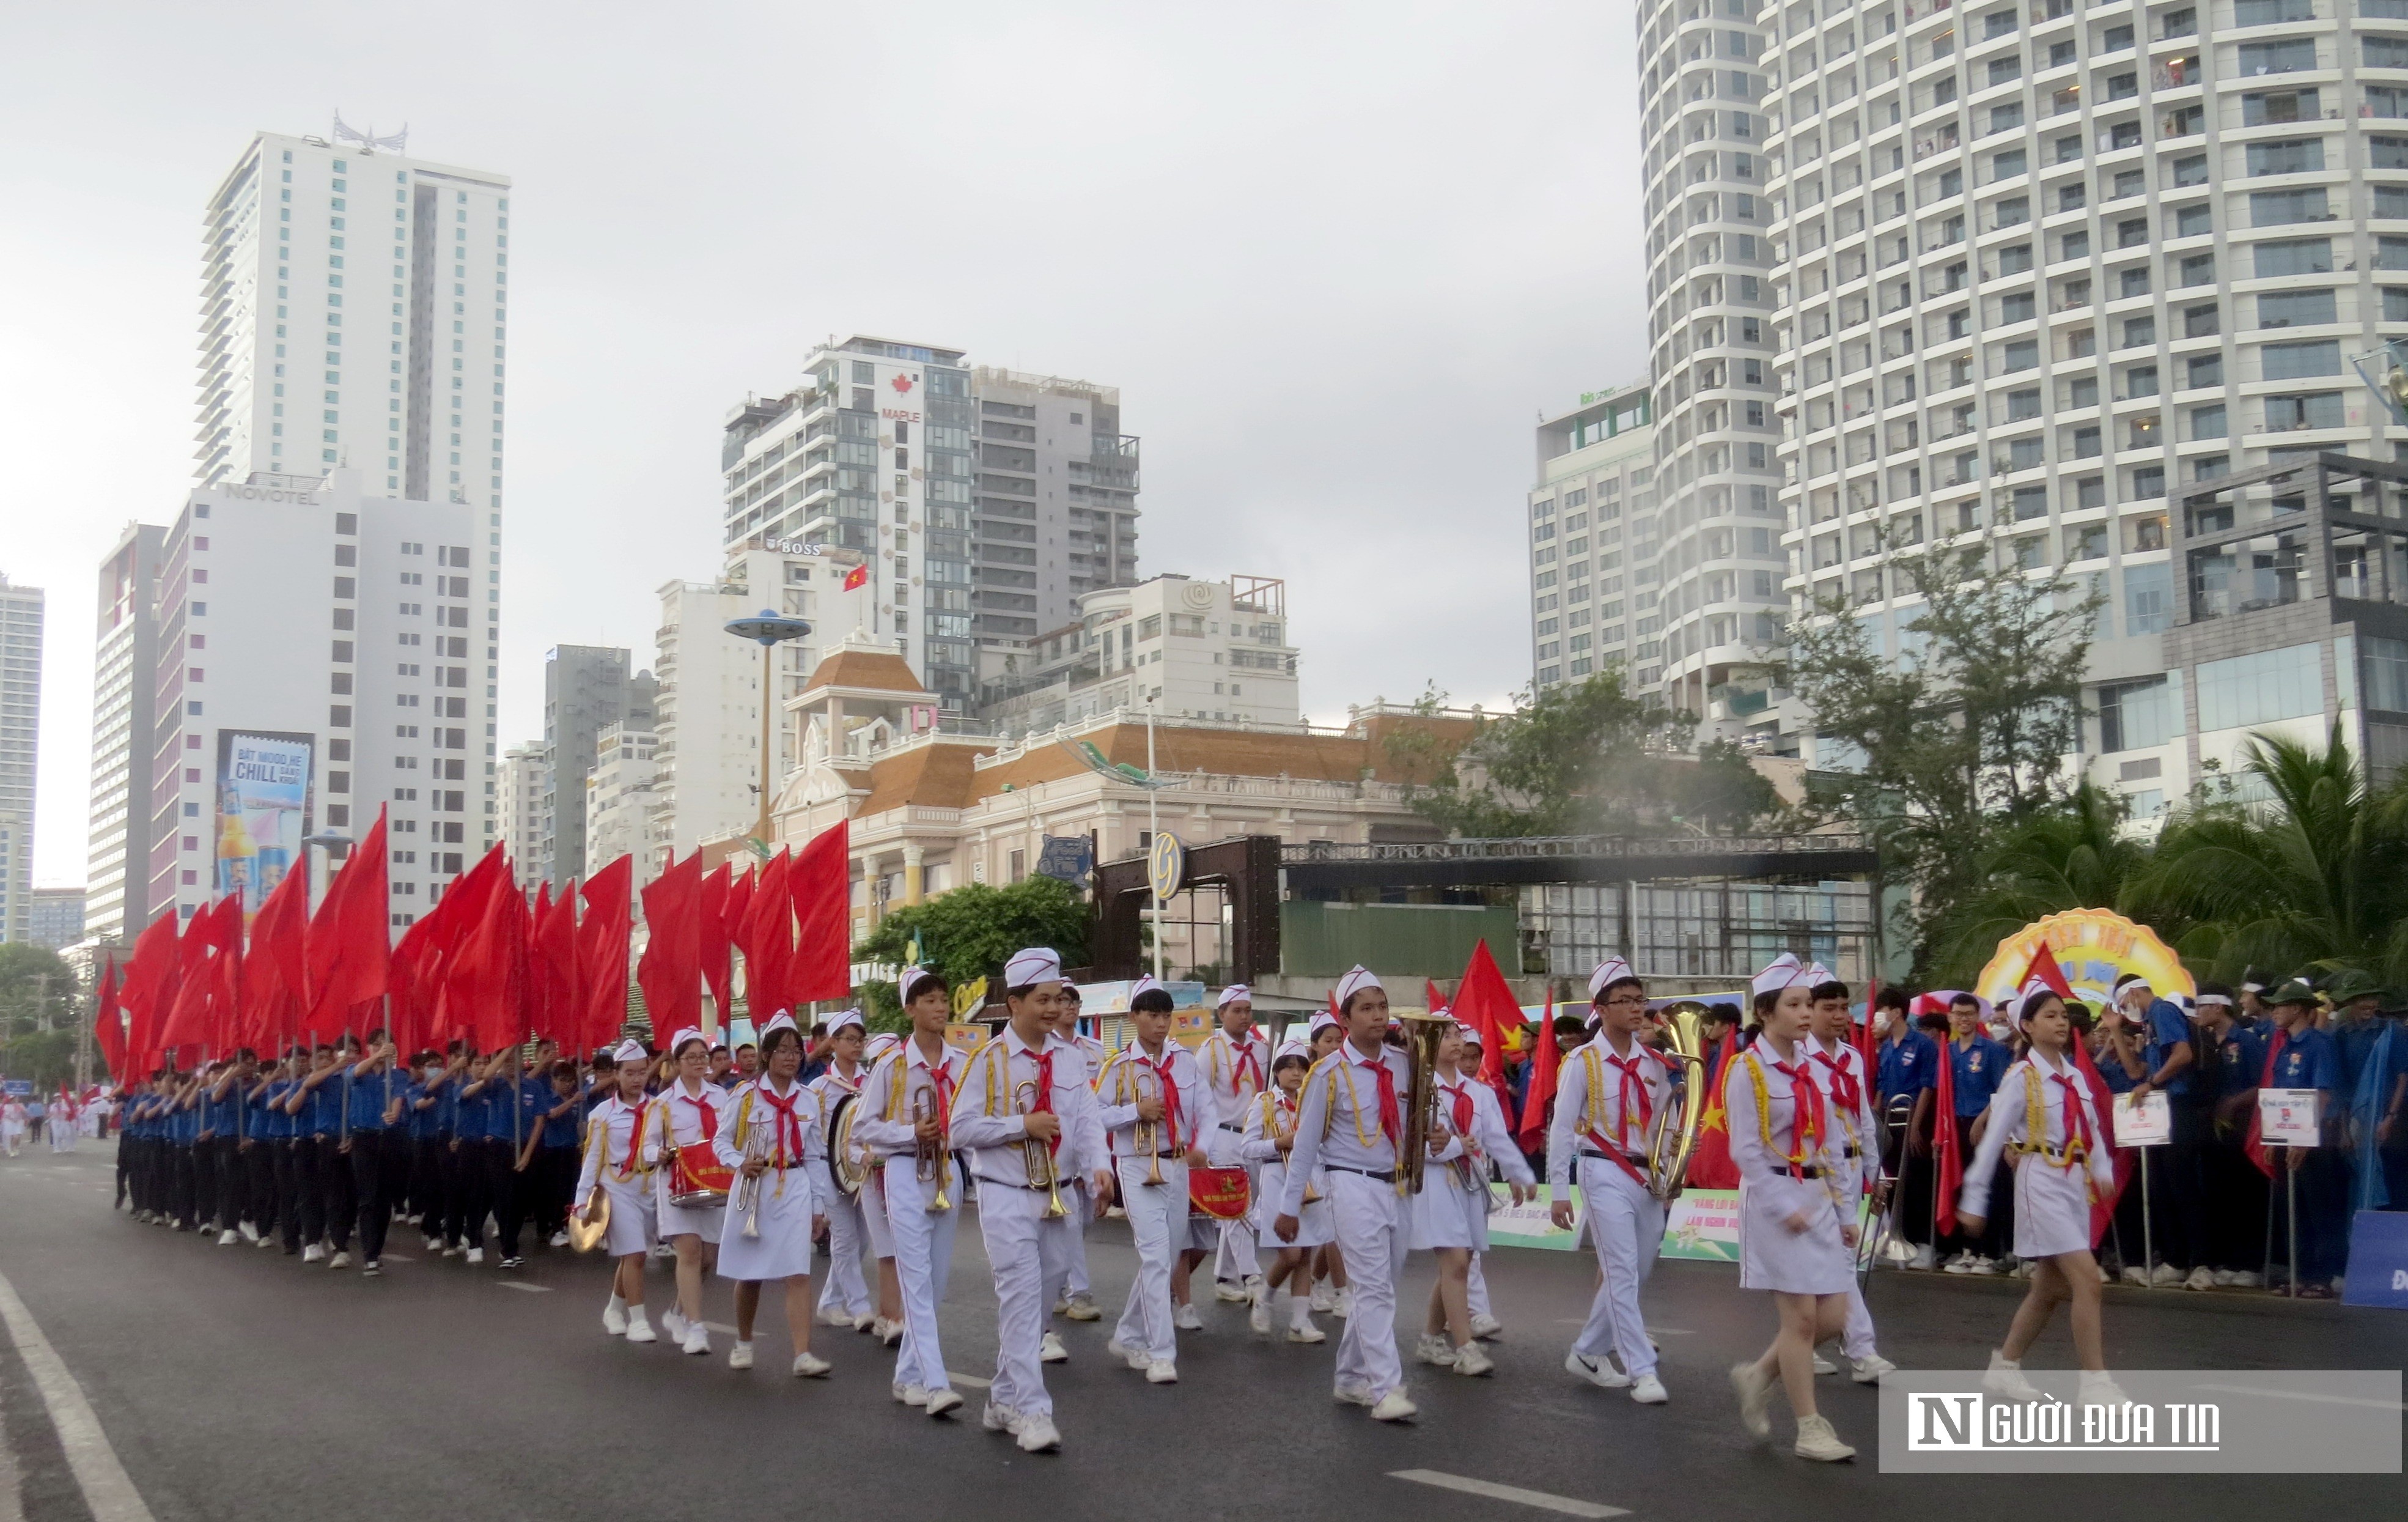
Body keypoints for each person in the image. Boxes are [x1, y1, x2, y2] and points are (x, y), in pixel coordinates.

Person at [948, 946, 1111, 1454]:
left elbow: (1085, 1118)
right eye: (1042, 999)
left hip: (1060, 1196)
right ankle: (1033, 1410)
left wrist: (1099, 1167)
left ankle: (1001, 1397)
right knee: (1019, 1299)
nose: (1052, 1007)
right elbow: (959, 1129)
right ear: (1014, 1003)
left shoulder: (1071, 1055)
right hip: (1006, 1196)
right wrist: (1022, 1124)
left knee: (1037, 1308)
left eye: (1057, 998)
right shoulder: (986, 1060)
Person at [1958, 982, 2124, 1408]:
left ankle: (2005, 1367)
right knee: (2087, 1279)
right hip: (2040, 1180)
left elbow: (2090, 1132)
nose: (2060, 1022)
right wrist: (1973, 1199)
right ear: (2027, 1026)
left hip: (2072, 1183)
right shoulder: (2021, 1077)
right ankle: (2094, 1382)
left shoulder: (2072, 1075)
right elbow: (1992, 1137)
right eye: (2049, 1015)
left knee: (2048, 1289)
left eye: (2063, 1015)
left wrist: (2102, 1170)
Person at [1725, 952, 1861, 1463]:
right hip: (1772, 1200)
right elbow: (1744, 1149)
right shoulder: (1747, 1070)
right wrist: (1784, 1206)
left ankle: (1759, 1374)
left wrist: (1845, 1213)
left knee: (1835, 1315)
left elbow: (1828, 1145)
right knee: (1801, 1319)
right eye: (1795, 1004)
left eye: (1808, 1004)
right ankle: (1810, 1427)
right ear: (1766, 1011)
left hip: (1818, 1198)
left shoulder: (1813, 1067)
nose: (1806, 1013)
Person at [1276, 966, 1421, 1424]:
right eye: (1367, 1008)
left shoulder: (1404, 1062)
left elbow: (1417, 1123)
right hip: (1349, 1181)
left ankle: (1349, 1376)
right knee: (1373, 1286)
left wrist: (1435, 1140)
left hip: (1395, 1184)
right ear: (1346, 1018)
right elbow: (1304, 1143)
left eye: (1382, 1006)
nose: (1378, 1016)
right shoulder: (1327, 1073)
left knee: (1380, 1287)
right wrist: (1288, 1204)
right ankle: (1384, 1387)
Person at [1549, 956, 1674, 1403]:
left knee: (1635, 1272)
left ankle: (1586, 1351)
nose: (1635, 1008)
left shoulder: (1656, 1063)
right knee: (1620, 1269)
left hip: (1647, 1176)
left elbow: (1665, 1122)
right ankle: (1642, 1369)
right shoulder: (1582, 1061)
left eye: (1639, 999)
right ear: (1600, 1009)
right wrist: (1559, 1192)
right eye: (1623, 1001)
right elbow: (1562, 1126)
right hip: (1601, 1169)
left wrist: (1676, 1156)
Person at [852, 968, 970, 1418]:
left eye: (944, 999)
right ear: (909, 1009)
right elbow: (863, 1126)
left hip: (947, 1172)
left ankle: (907, 1375)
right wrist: (909, 1132)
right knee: (916, 1280)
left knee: (935, 1282)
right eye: (930, 1000)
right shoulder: (891, 1065)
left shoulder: (961, 1063)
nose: (940, 1007)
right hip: (904, 1172)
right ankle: (936, 1382)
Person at [1096, 980, 1207, 1384]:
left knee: (1165, 1256)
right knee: (1157, 1255)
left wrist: (1202, 1147)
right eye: (1152, 1015)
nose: (1160, 1024)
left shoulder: (1185, 1061)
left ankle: (1128, 1333)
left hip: (1176, 1165)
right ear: (1134, 1017)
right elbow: (1093, 1115)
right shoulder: (1118, 1065)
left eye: (1166, 1016)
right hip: (1137, 1165)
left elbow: (1206, 1111)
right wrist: (1134, 1110)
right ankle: (1162, 1352)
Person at [1413, 1016, 1534, 1377]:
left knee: (1458, 1262)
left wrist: (1520, 1173)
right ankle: (1466, 1348)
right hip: (1436, 1184)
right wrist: (1454, 1146)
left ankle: (1430, 1338)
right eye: (1446, 1036)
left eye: (1456, 1035)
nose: (1454, 1041)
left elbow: (1496, 1137)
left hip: (1470, 1183)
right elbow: (1411, 1146)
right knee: (1457, 1263)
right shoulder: (1419, 1090)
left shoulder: (1479, 1093)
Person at [715, 1014, 834, 1376]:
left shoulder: (809, 1100)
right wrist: (739, 1161)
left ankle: (802, 1355)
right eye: (782, 1050)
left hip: (795, 1185)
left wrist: (818, 1206)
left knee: (798, 1271)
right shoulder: (746, 1097)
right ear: (767, 1055)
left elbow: (815, 1156)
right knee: (750, 1274)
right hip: (756, 1188)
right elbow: (721, 1141)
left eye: (797, 1050)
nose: (791, 1057)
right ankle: (744, 1341)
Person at [1805, 977, 1897, 1383]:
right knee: (1838, 1264)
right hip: (1816, 1172)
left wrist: (1875, 1175)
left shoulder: (1852, 1057)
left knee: (1828, 1266)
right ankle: (1862, 1350)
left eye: (1844, 1007)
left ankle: (1799, 1345)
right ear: (1808, 1010)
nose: (1841, 1016)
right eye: (1830, 1008)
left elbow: (1863, 1119)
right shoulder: (1797, 1057)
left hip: (1851, 1167)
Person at [2108, 971, 2201, 1288]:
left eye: (2124, 1003)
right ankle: (2176, 1258)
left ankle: (2196, 1260)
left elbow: (2183, 1054)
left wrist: (2153, 1083)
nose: (2125, 1011)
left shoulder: (2162, 1010)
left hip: (2177, 1108)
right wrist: (2115, 1032)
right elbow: (2136, 1070)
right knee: (2162, 1188)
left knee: (2181, 1188)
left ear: (2134, 993)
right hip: (2161, 1113)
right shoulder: (2149, 1024)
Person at [646, 1027, 734, 1353]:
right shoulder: (663, 1104)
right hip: (677, 1187)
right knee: (690, 1251)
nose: (699, 1062)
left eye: (703, 1057)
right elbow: (647, 1146)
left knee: (708, 1258)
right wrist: (660, 1155)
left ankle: (677, 1311)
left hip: (714, 1184)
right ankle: (697, 1329)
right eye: (691, 1057)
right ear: (677, 1062)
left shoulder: (722, 1097)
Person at [2259, 980, 2347, 1296]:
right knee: (2290, 1206)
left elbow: (2323, 1096)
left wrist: (2304, 1141)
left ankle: (2323, 1276)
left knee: (2318, 1207)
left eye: (2279, 1006)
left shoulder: (2319, 1044)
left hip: (2316, 1140)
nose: (2274, 1013)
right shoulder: (2285, 1048)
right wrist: (2273, 1139)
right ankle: (2300, 1271)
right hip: (2286, 1137)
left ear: (2297, 1009)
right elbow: (2279, 1096)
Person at [1240, 1040, 1331, 1343]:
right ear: (1277, 1072)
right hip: (1277, 1179)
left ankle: (1299, 1321)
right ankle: (1265, 1297)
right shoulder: (1265, 1102)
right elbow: (1248, 1148)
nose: (1296, 1074)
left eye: (1301, 1068)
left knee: (1306, 1253)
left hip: (1310, 1178)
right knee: (1291, 1253)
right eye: (1289, 1067)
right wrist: (1280, 1143)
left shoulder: (1314, 1100)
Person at [575, 1040, 662, 1344]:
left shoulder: (659, 1109)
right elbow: (592, 1159)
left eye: (642, 1072)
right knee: (635, 1253)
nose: (637, 1079)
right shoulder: (602, 1113)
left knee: (632, 1256)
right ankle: (638, 1320)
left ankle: (614, 1309)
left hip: (650, 1187)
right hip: (617, 1187)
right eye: (630, 1073)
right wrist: (580, 1201)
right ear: (617, 1074)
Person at [1197, 984, 1271, 1306]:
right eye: (1237, 1011)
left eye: (1247, 1010)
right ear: (1222, 1014)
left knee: (1242, 1206)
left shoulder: (1263, 1049)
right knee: (1235, 1204)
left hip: (1254, 1136)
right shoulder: (1210, 1050)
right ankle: (1251, 1275)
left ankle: (1224, 1277)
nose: (1244, 1017)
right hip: (1223, 1136)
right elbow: (1198, 1099)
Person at [2190, 985, 2268, 1287]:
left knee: (2247, 1193)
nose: (2198, 1014)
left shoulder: (2247, 1041)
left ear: (2218, 1007)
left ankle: (2249, 1262)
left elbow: (2264, 1082)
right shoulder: (2203, 1043)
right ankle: (2226, 1258)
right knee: (2218, 1192)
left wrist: (2235, 1103)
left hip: (2242, 1127)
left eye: (2202, 1007)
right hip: (2211, 1129)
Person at [809, 1010, 879, 1332]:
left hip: (864, 1170)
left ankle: (829, 1302)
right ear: (833, 1043)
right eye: (850, 1040)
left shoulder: (872, 1081)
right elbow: (812, 1136)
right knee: (846, 1239)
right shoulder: (820, 1087)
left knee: (863, 1240)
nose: (857, 1046)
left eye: (860, 1040)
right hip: (830, 1169)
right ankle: (860, 1305)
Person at [1937, 994, 2010, 1274]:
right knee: (1961, 1184)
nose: (1964, 1019)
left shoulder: (1992, 1051)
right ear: (1950, 1017)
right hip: (1954, 1127)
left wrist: (1981, 1122)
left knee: (1986, 1186)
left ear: (1978, 1016)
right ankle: (1969, 1250)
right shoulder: (1948, 1051)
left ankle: (1990, 1253)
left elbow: (2003, 1093)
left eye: (1969, 1014)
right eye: (1958, 1014)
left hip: (1984, 1125)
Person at [1872, 988, 1938, 1269]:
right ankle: (1895, 1237)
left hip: (1911, 1117)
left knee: (1916, 1182)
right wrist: (1873, 1121)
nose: (1878, 1017)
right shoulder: (1886, 1046)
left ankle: (1923, 1244)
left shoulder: (1923, 1044)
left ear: (1896, 1012)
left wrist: (1916, 1124)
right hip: (1888, 1118)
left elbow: (1927, 1086)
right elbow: (1882, 1085)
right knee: (1890, 1180)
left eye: (1882, 1010)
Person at [342, 1036, 408, 1276]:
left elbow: (399, 1098)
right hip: (364, 1138)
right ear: (369, 1048)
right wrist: (377, 1057)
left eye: (387, 1044)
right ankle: (369, 1255)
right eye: (376, 1044)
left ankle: (377, 1249)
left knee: (384, 1199)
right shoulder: (356, 1071)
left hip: (390, 1138)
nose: (382, 1048)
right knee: (368, 1197)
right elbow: (356, 1074)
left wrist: (393, 1114)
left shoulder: (398, 1075)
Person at [520, 1060, 584, 1249]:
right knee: (550, 1192)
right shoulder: (547, 1096)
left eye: (571, 1080)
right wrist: (572, 1101)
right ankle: (548, 1228)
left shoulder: (578, 1099)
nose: (568, 1084)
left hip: (571, 1148)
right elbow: (552, 1114)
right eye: (563, 1080)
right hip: (551, 1149)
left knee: (569, 1190)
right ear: (554, 1080)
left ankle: (563, 1226)